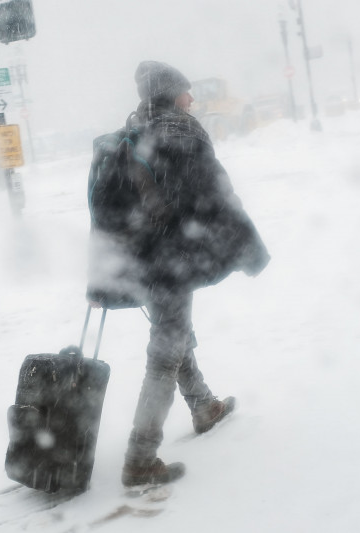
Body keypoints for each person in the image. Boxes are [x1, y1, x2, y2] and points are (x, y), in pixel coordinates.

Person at [86, 60, 270, 487]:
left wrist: (100, 279)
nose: (192, 98)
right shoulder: (183, 133)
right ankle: (141, 456)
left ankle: (204, 406)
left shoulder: (129, 134)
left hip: (139, 260)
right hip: (172, 258)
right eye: (187, 91)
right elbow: (219, 197)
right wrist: (250, 249)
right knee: (166, 347)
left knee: (173, 331)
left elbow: (104, 215)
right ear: (172, 93)